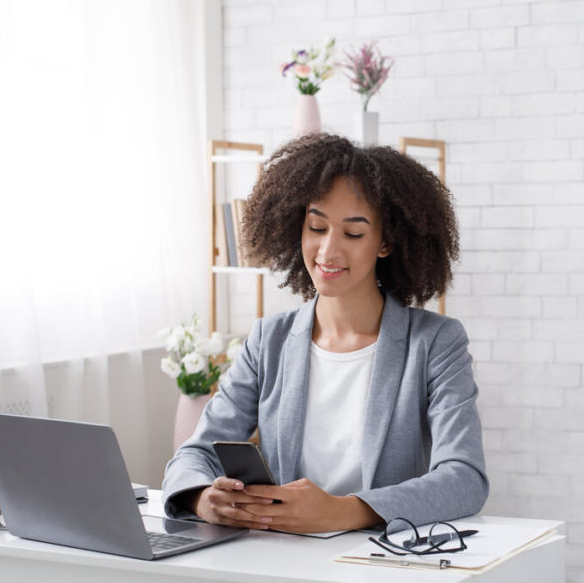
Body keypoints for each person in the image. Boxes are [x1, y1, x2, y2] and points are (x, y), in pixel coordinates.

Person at [162, 133, 488, 534]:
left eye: (353, 233)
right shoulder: (268, 340)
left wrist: (344, 511)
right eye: (316, 227)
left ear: (385, 242)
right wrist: (201, 498)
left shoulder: (436, 343)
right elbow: (194, 454)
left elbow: (465, 478)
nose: (328, 251)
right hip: (281, 555)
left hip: (380, 557)